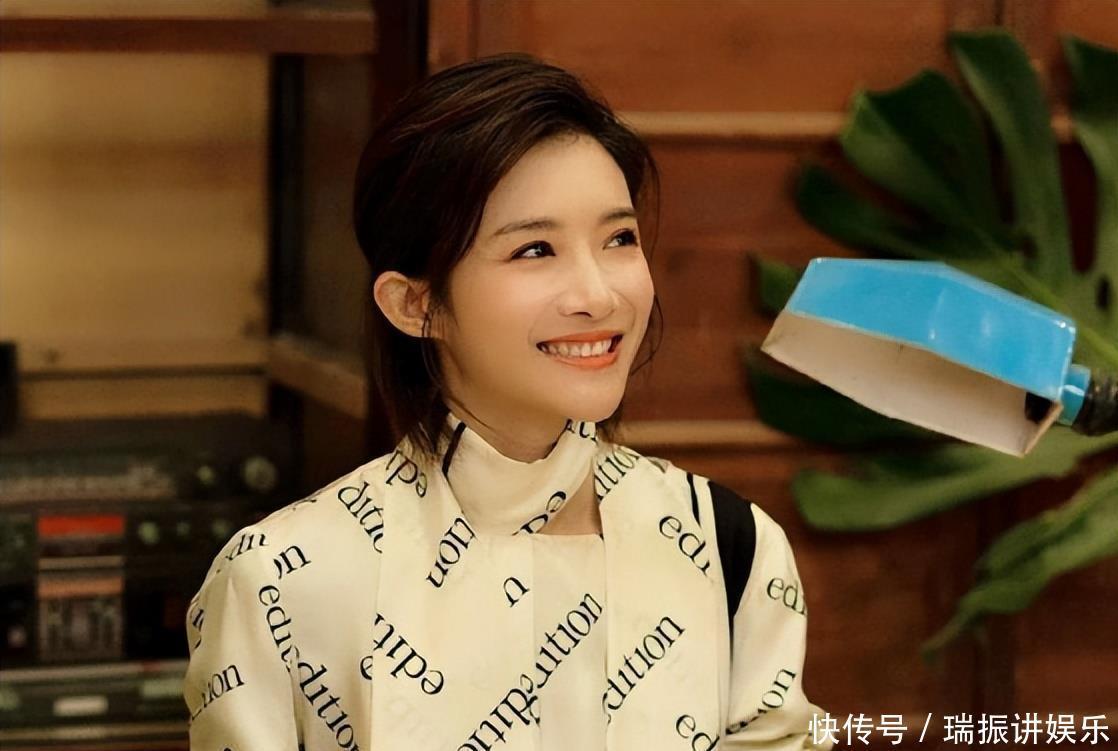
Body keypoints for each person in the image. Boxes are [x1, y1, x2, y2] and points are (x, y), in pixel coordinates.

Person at [183, 52, 833, 751]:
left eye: (619, 238)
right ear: (415, 304)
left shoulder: (730, 544)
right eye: (534, 250)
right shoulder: (280, 578)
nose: (599, 295)